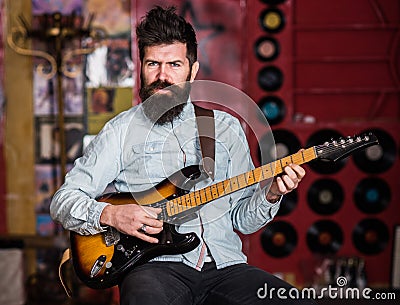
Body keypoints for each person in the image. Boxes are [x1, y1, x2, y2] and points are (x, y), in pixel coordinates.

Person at [51, 6, 315, 305]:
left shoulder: (225, 128)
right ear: (141, 66)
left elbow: (242, 220)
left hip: (226, 267)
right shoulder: (120, 131)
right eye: (153, 64)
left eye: (175, 64)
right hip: (154, 269)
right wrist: (111, 214)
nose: (163, 76)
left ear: (193, 70)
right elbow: (63, 200)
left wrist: (271, 194)